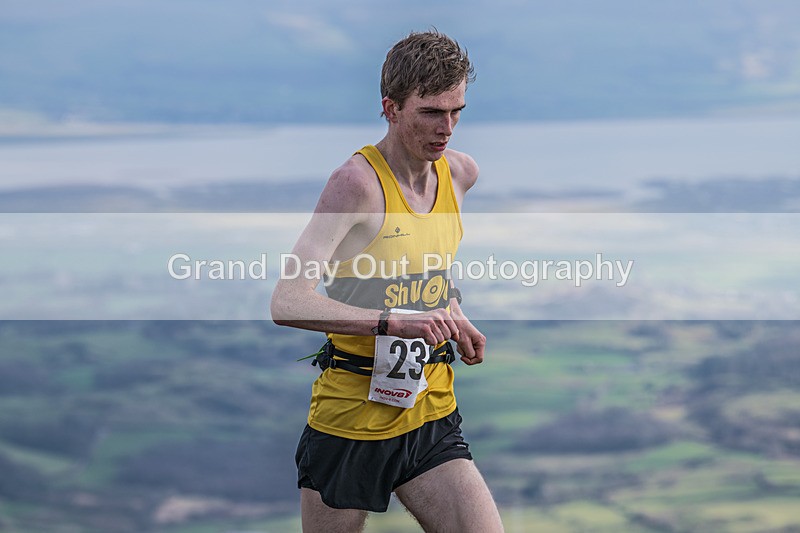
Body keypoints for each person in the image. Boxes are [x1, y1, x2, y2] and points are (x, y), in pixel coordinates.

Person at [271, 30, 504, 533]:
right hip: (350, 419)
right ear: (391, 108)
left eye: (457, 111)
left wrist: (453, 314)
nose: (447, 128)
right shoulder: (355, 184)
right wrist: (392, 323)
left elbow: (419, 270)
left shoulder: (461, 175)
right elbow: (287, 301)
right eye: (430, 112)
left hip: (430, 410)